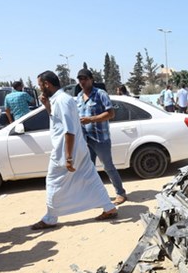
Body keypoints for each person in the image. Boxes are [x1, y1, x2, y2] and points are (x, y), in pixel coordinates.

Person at [30, 71, 118, 230]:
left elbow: (69, 130)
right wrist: (47, 106)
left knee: (52, 181)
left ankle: (50, 217)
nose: (40, 89)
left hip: (66, 151)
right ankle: (109, 207)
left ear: (47, 84)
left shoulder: (63, 100)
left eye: (40, 85)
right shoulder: (60, 100)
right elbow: (57, 121)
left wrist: (68, 158)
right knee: (90, 177)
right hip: (77, 148)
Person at [76, 68, 127, 205]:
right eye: (80, 79)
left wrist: (91, 119)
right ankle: (94, 195)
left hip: (100, 139)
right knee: (89, 169)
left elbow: (110, 114)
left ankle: (120, 193)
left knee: (108, 167)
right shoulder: (79, 97)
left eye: (85, 78)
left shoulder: (100, 94)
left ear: (91, 79)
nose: (82, 81)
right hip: (86, 140)